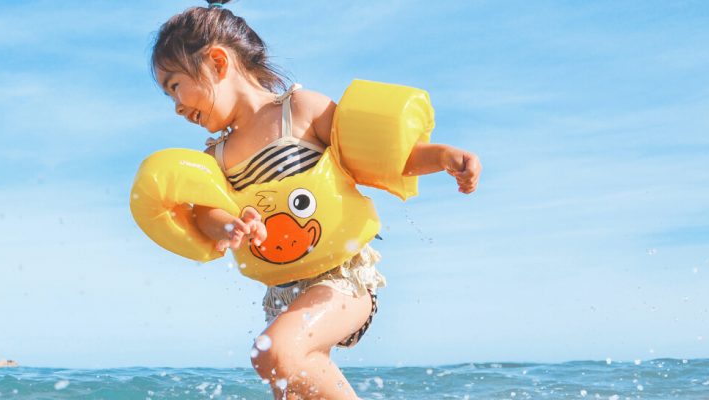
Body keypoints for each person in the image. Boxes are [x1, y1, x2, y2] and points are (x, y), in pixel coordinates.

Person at [149, 2, 481, 398]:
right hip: (282, 296)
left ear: (217, 63)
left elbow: (381, 157)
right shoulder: (215, 159)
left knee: (271, 353)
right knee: (292, 381)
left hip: (343, 279)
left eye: (174, 86)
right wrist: (229, 225)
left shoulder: (301, 111)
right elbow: (207, 213)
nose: (177, 107)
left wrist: (443, 157)